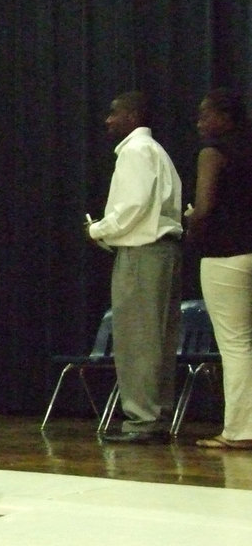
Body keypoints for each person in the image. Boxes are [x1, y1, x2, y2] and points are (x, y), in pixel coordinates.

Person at [86, 91, 183, 443]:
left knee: (137, 338)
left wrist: (97, 229)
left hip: (142, 253)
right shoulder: (158, 153)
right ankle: (157, 415)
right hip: (165, 252)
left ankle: (142, 419)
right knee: (158, 339)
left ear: (133, 116)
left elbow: (132, 207)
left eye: (114, 113)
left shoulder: (135, 151)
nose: (108, 120)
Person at [186, 88, 252, 449]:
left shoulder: (213, 152)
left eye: (205, 114)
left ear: (225, 117)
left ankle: (241, 430)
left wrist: (193, 231)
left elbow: (205, 206)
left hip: (226, 254)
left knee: (236, 344)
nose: (199, 122)